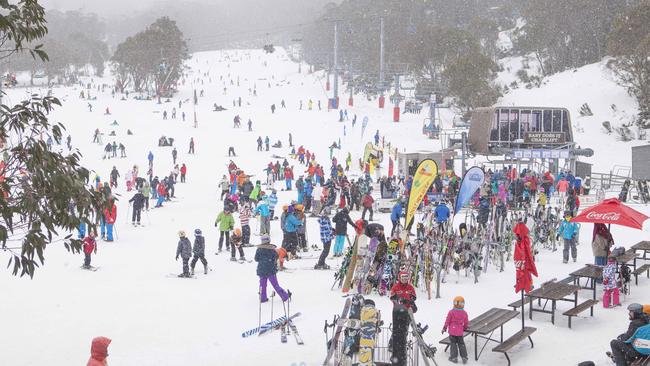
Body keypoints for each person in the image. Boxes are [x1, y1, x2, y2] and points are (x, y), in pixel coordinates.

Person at [254, 235, 290, 302]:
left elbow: (256, 259)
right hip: (271, 270)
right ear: (269, 240)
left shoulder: (259, 249)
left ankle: (263, 298)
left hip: (262, 270)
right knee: (275, 285)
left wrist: (263, 261)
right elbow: (276, 257)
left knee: (262, 285)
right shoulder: (272, 249)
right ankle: (284, 296)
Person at [442, 296, 469, 364]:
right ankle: (464, 357)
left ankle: (454, 357)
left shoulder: (451, 312)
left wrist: (444, 328)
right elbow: (466, 322)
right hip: (460, 332)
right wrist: (465, 327)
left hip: (452, 332)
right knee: (461, 344)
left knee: (453, 344)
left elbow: (447, 321)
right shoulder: (464, 313)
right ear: (463, 304)